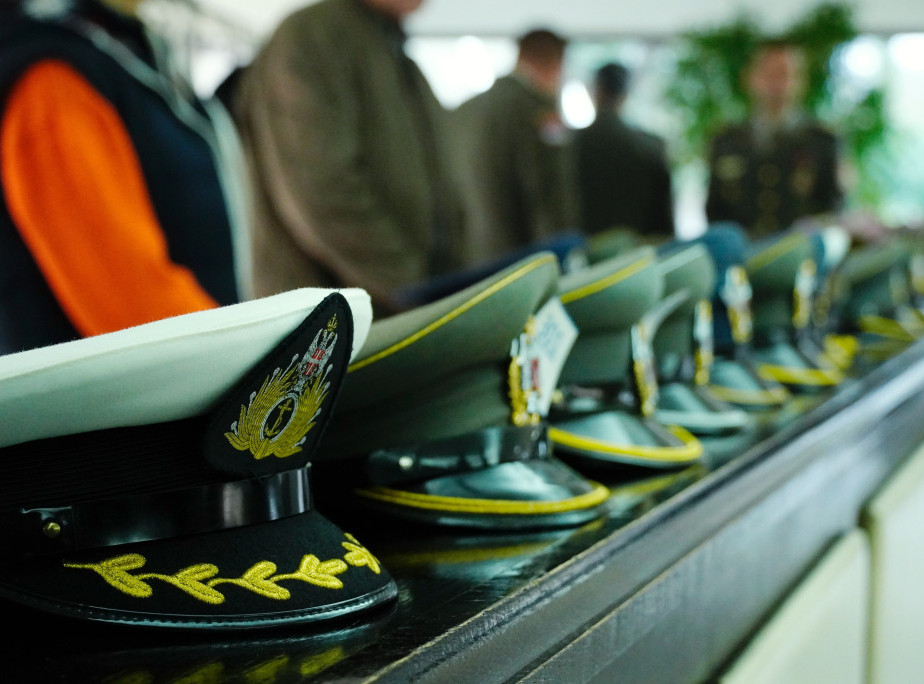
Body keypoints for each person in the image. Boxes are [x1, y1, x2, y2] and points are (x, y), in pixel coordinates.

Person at [0, 0, 249, 355]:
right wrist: (253, 360)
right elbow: (139, 311)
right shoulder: (53, 82)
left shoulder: (118, 50)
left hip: (204, 364)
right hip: (168, 376)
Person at [230, 0, 464, 317]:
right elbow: (321, 192)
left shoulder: (394, 53)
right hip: (336, 324)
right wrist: (416, 291)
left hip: (396, 312)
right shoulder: (313, 36)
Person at [451, 28, 580, 266]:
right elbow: (549, 190)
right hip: (519, 257)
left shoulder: (466, 109)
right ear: (558, 63)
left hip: (467, 253)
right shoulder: (539, 110)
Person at [705, 39, 844, 238]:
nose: (776, 84)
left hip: (799, 249)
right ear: (750, 78)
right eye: (768, 74)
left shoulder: (823, 142)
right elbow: (715, 212)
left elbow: (833, 211)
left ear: (800, 81)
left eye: (784, 74)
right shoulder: (725, 141)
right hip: (742, 249)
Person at [574, 61, 675, 241]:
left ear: (595, 90)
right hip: (639, 250)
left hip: (581, 249)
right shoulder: (652, 146)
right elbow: (664, 220)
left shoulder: (571, 145)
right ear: (626, 93)